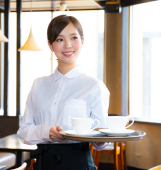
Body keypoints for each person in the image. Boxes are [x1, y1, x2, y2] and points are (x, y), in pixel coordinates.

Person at [17, 15, 110, 170]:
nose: (68, 45)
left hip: (78, 165)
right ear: (50, 45)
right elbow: (24, 132)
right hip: (43, 164)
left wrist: (102, 138)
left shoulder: (94, 86)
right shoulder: (38, 85)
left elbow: (100, 139)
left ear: (82, 41)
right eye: (59, 39)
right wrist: (47, 132)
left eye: (74, 37)